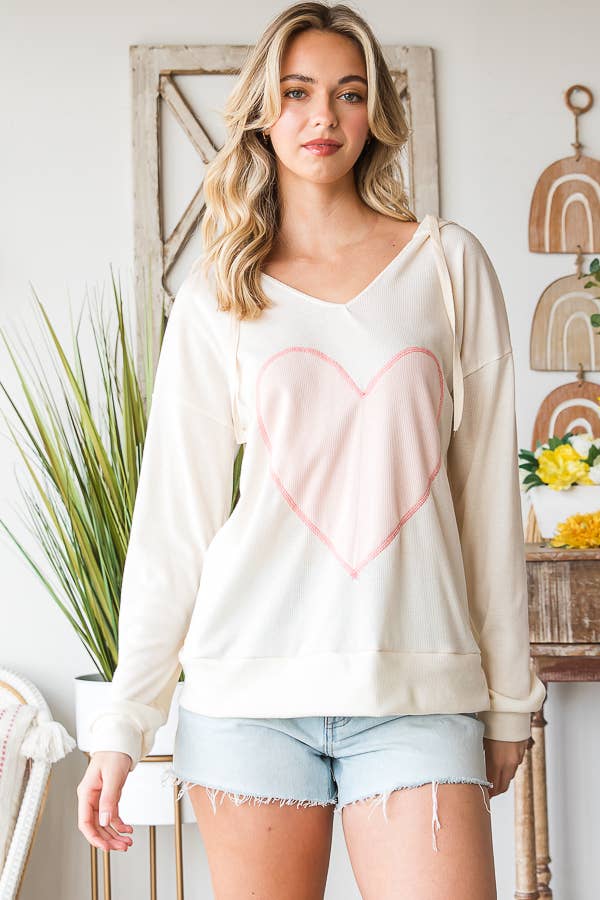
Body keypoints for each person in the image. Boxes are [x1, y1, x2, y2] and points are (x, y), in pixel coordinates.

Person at [77, 2, 546, 896]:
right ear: (263, 109)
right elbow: (174, 524)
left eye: (349, 93)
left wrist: (509, 701)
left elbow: (486, 501)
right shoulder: (219, 296)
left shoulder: (447, 267)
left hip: (418, 697)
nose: (322, 117)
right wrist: (122, 724)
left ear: (375, 115)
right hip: (246, 700)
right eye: (296, 92)